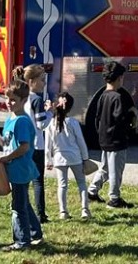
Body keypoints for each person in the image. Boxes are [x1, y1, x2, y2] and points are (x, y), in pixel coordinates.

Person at [0, 79, 43, 251]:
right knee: (23, 202)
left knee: (18, 206)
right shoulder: (12, 118)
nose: (8, 103)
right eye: (7, 99)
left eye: (13, 100)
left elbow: (24, 147)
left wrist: (6, 158)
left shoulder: (22, 121)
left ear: (24, 100)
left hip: (20, 169)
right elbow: (6, 143)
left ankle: (22, 241)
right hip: (14, 169)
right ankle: (35, 233)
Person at [87, 61, 135, 209]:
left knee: (106, 168)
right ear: (119, 78)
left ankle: (92, 190)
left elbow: (98, 118)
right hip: (116, 140)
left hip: (104, 139)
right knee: (116, 171)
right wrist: (131, 121)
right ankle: (114, 198)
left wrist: (100, 133)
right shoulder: (117, 97)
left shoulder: (103, 96)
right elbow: (120, 118)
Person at [13, 64, 53, 223]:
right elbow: (41, 124)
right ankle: (40, 214)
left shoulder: (21, 98)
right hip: (37, 144)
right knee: (38, 181)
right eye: (42, 80)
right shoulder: (36, 99)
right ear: (31, 81)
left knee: (24, 181)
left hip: (23, 143)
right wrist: (51, 112)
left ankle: (22, 208)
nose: (44, 83)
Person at [45, 92, 91, 220]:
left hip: (59, 158)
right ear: (70, 107)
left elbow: (48, 144)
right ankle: (85, 210)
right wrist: (85, 158)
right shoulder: (73, 122)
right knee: (81, 183)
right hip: (75, 157)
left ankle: (63, 212)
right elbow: (80, 141)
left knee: (62, 185)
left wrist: (48, 160)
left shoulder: (51, 123)